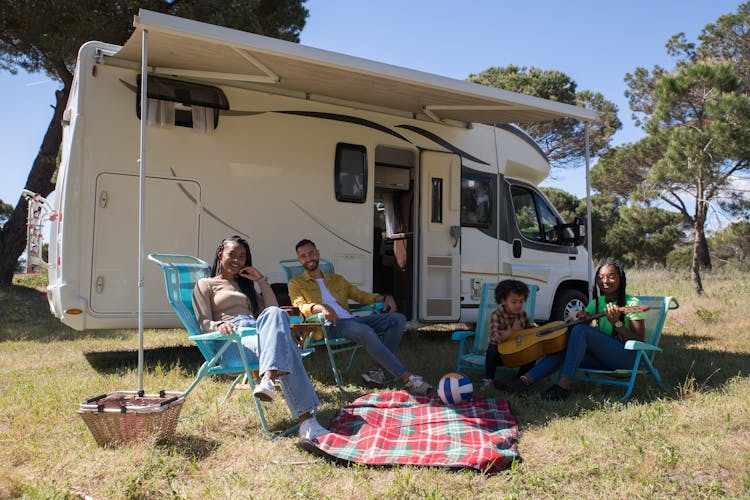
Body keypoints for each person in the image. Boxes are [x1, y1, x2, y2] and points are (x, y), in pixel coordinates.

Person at [192, 235, 329, 440]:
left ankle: (267, 380)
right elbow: (203, 323)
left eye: (242, 256)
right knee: (288, 348)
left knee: (276, 314)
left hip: (258, 332)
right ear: (220, 254)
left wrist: (261, 281)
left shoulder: (245, 286)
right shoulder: (205, 284)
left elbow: (273, 309)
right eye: (232, 254)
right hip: (232, 341)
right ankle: (307, 421)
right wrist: (219, 325)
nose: (237, 259)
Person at [288, 238, 432, 395]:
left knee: (398, 319)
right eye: (303, 256)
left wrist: (384, 298)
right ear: (299, 259)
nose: (308, 258)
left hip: (352, 320)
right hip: (328, 325)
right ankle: (408, 378)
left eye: (311, 253)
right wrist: (320, 307)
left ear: (318, 253)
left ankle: (376, 372)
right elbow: (300, 306)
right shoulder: (296, 283)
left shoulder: (336, 279)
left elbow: (360, 295)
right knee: (364, 330)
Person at [501, 262, 646, 401]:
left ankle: (564, 385)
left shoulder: (631, 303)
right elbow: (579, 329)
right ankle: (523, 381)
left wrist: (617, 323)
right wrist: (582, 317)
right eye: (600, 277)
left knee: (581, 331)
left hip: (628, 360)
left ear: (621, 278)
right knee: (566, 343)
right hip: (603, 360)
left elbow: (640, 341)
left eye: (611, 276)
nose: (605, 281)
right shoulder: (596, 303)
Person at [480, 280, 535, 391]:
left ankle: (519, 380)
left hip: (517, 352)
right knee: (491, 350)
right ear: (503, 300)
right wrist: (512, 330)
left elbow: (530, 331)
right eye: (514, 302)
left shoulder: (522, 314)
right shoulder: (497, 315)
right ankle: (488, 380)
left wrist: (535, 330)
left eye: (521, 301)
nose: (519, 305)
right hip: (500, 356)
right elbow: (495, 337)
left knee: (532, 353)